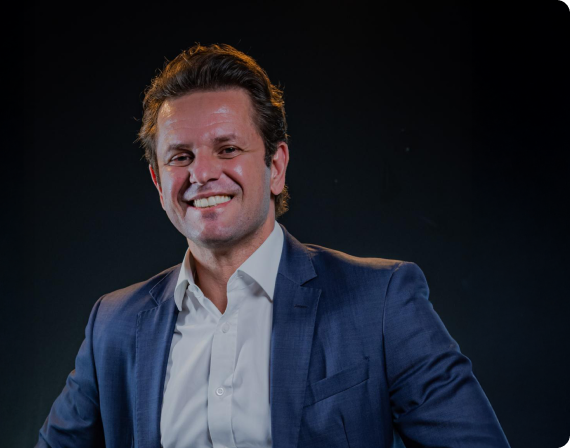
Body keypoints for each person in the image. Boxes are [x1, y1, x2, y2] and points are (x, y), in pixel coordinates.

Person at [36, 44, 510, 448]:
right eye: (180, 156)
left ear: (276, 166)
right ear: (159, 183)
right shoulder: (114, 325)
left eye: (227, 149)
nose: (202, 173)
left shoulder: (380, 302)